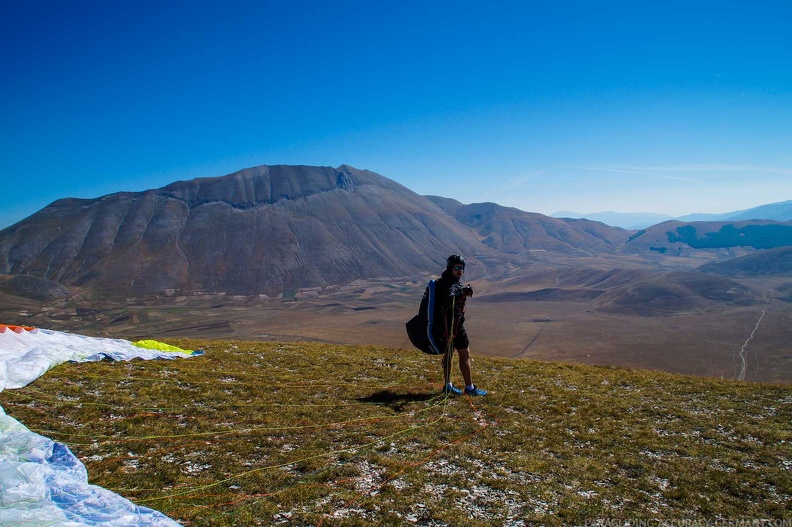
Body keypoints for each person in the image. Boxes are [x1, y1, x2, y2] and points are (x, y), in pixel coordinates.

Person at [431, 255, 487, 396]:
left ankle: (448, 385)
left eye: (461, 268)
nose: (460, 270)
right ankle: (469, 388)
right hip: (453, 326)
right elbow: (449, 301)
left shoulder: (448, 281)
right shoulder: (448, 283)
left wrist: (462, 292)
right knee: (465, 354)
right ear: (450, 268)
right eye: (456, 268)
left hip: (447, 326)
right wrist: (462, 293)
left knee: (449, 354)